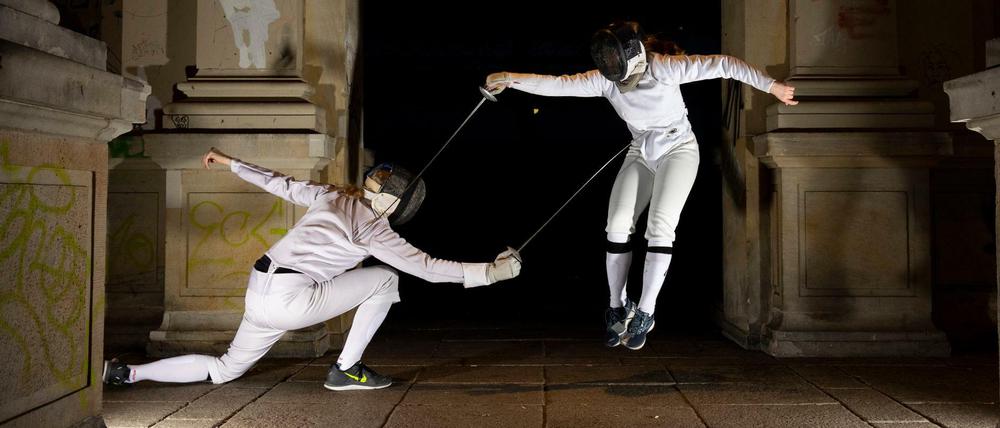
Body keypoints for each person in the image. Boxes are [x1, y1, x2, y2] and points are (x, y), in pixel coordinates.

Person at [485, 21, 795, 350]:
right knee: (617, 225)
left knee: (660, 227)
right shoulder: (606, 80)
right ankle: (618, 306)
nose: (617, 77)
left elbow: (724, 64)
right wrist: (509, 78)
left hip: (679, 150)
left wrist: (771, 86)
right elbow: (559, 85)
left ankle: (646, 311)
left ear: (634, 56)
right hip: (641, 151)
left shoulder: (665, 68)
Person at [103, 148, 522, 390]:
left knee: (224, 369)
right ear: (393, 205)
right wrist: (490, 273)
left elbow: (280, 183)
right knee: (386, 279)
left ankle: (127, 373)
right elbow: (428, 268)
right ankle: (346, 369)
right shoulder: (375, 230)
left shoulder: (332, 196)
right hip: (291, 299)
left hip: (259, 288)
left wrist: (232, 163)